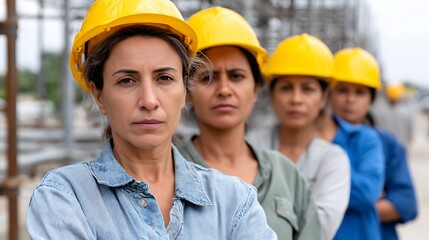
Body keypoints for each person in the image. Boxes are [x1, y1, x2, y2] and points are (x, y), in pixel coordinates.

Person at [26, 1, 277, 239]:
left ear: (184, 91)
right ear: (99, 96)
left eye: (164, 78)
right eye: (127, 80)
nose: (149, 100)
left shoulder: (234, 201)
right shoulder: (66, 197)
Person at [178, 7, 322, 240]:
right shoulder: (169, 173)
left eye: (236, 76)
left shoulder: (286, 175)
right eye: (208, 78)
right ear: (188, 92)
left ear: (255, 89)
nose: (224, 90)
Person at [246, 33, 351, 240]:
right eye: (286, 88)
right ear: (272, 95)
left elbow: (320, 228)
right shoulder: (250, 143)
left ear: (323, 99)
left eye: (307, 89)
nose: (296, 99)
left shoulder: (333, 159)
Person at [328, 48, 418, 240]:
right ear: (329, 94)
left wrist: (331, 205)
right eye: (343, 90)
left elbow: (406, 204)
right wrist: (366, 202)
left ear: (371, 99)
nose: (350, 99)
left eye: (359, 92)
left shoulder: (388, 145)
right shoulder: (315, 140)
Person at [372, 82, 414, 146]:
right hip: (400, 143)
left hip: (385, 144)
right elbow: (410, 129)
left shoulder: (378, 110)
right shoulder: (406, 110)